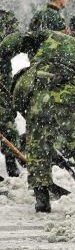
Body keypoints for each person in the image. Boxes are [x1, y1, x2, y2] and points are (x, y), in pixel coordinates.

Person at [8, 30, 75, 212]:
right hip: (68, 94)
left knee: (38, 145)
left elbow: (17, 39)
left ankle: (41, 196)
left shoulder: (43, 41)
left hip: (38, 95)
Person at [0, 10, 21, 179]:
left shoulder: (5, 17)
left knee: (7, 120)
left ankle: (11, 162)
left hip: (2, 80)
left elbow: (14, 43)